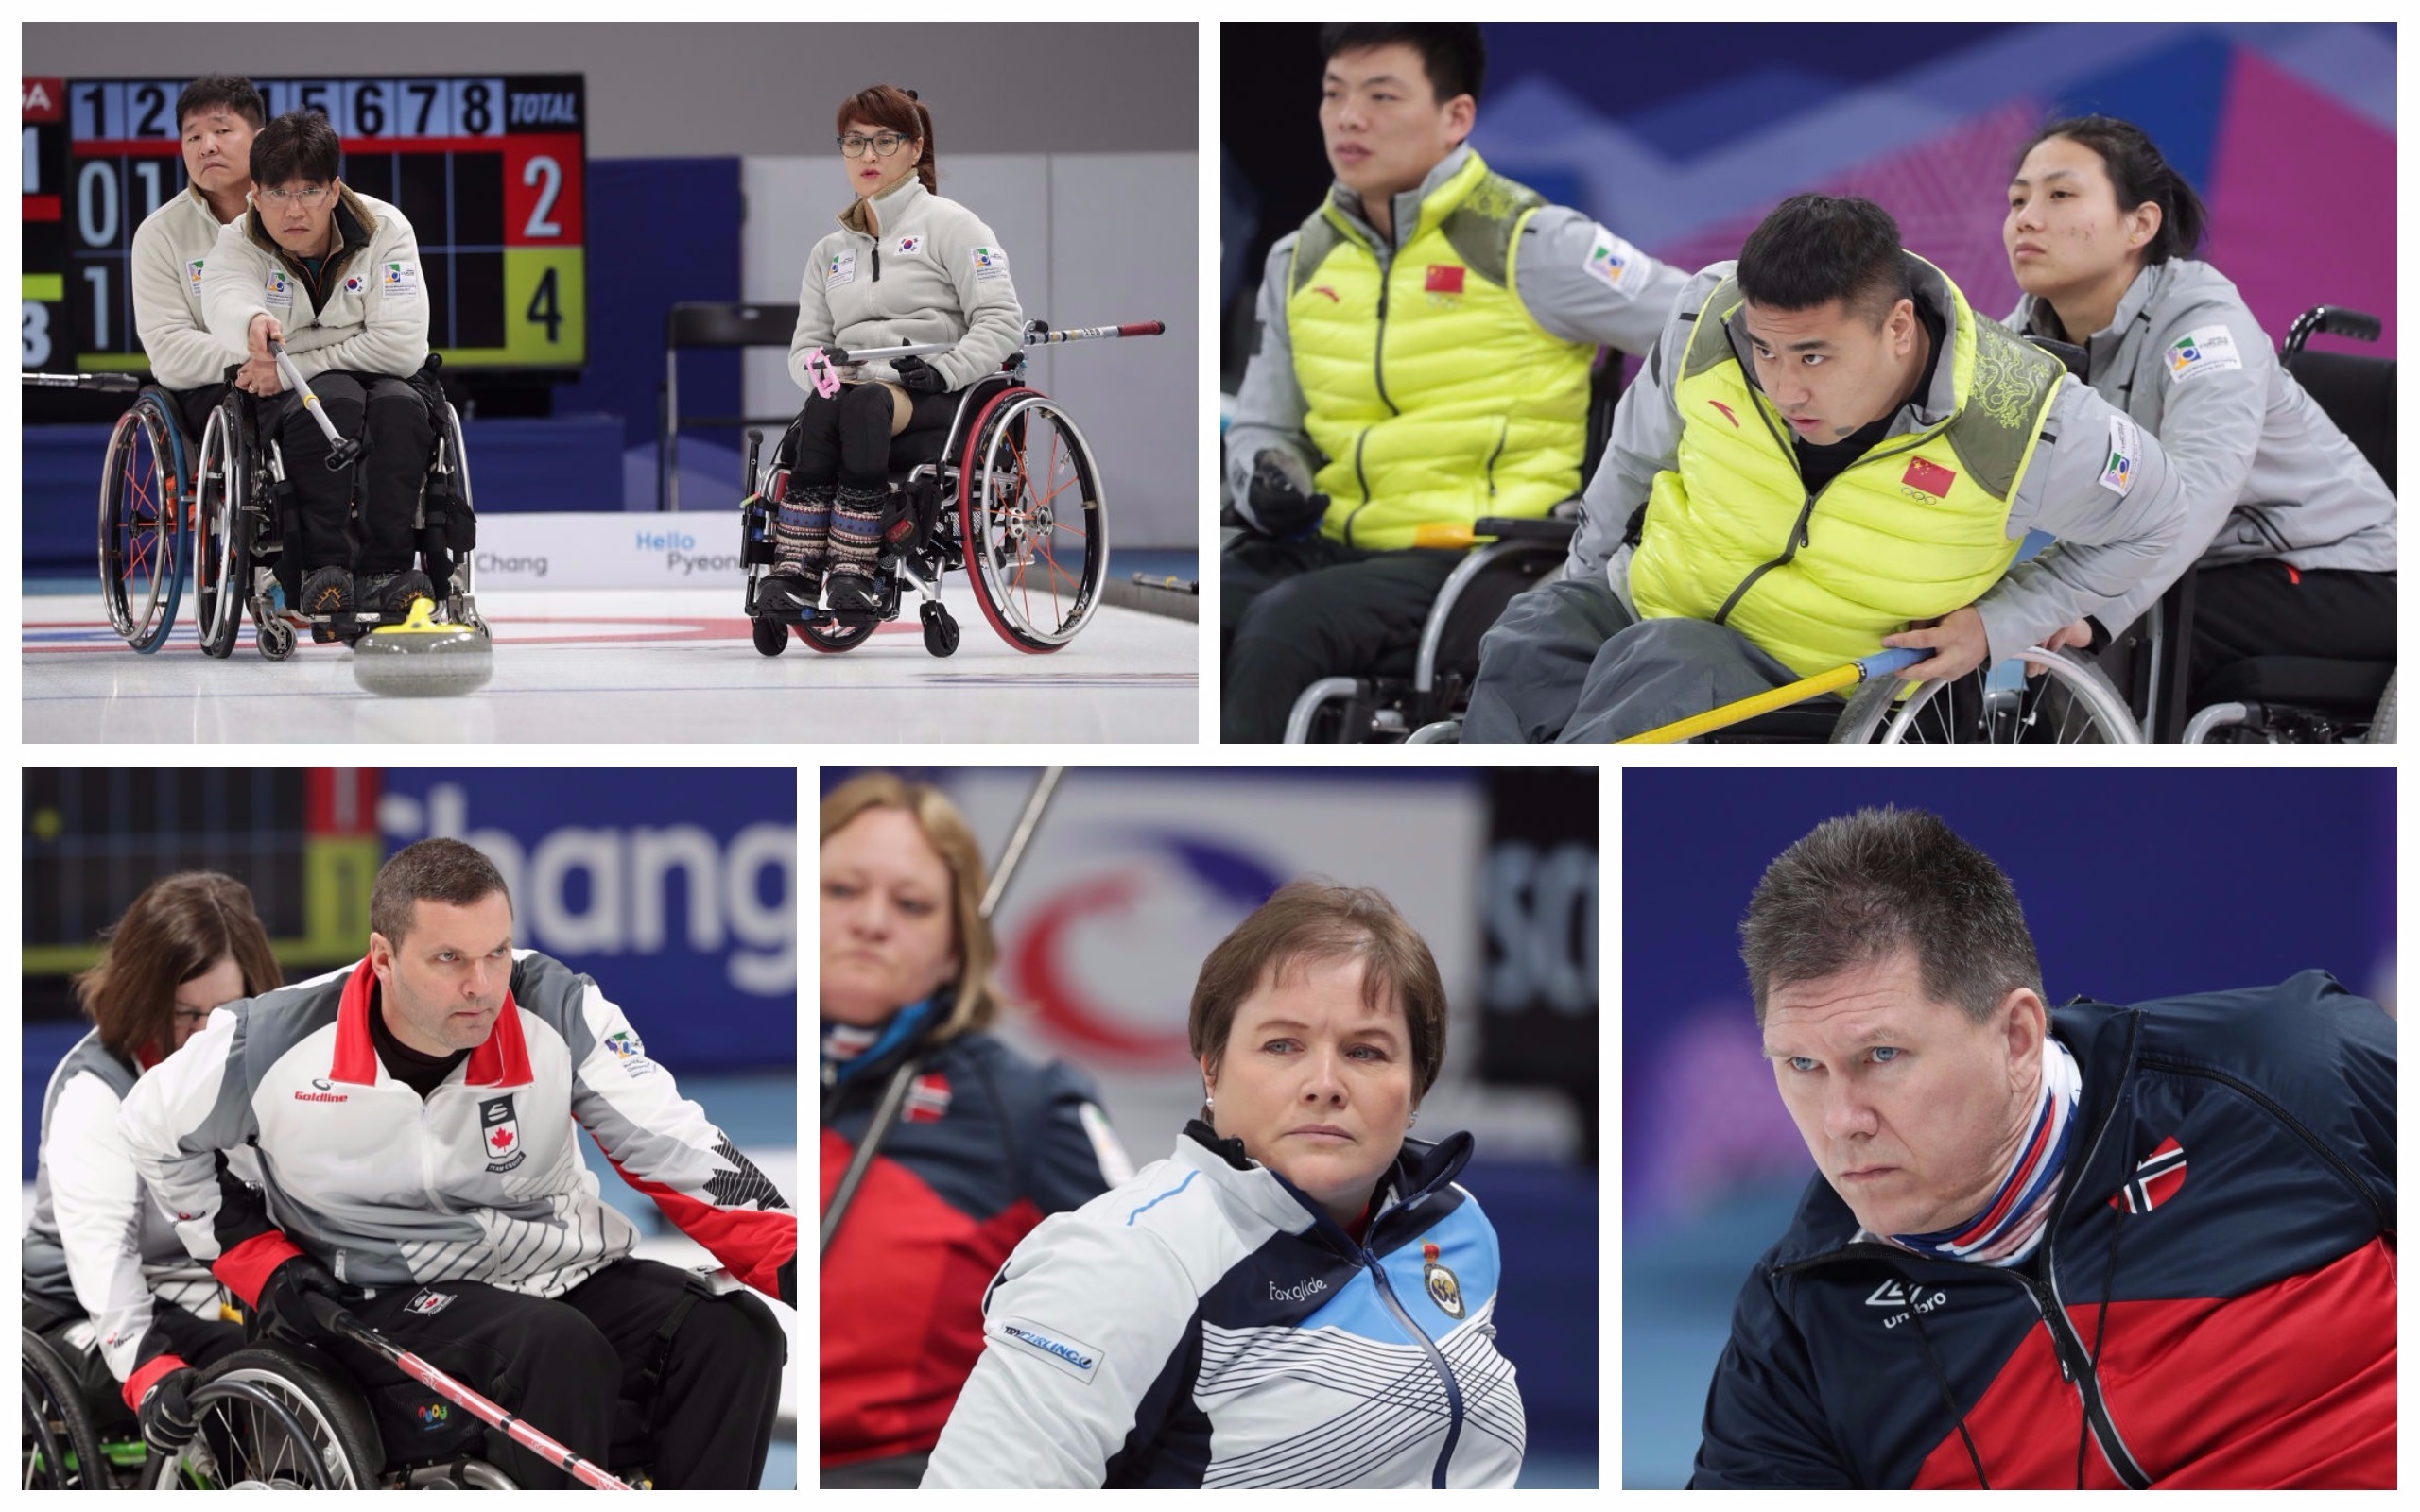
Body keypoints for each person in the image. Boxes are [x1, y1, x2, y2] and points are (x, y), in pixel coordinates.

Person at [1694, 807, 2394, 1488]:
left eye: (1882, 1054)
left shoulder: (2289, 1074)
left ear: (2017, 1038)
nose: (1841, 1120)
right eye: (1802, 1065)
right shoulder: (1799, 1321)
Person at [119, 838, 793, 1490]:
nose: (482, 985)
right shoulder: (272, 1042)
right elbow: (150, 1130)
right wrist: (261, 1263)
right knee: (557, 1350)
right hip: (379, 1295)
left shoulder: (555, 1007)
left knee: (735, 1333)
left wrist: (798, 1264)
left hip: (557, 1271)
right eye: (449, 958)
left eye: (496, 952)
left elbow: (670, 1141)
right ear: (383, 958)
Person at [1462, 194, 2195, 743]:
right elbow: (1630, 461)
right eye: (1766, 350)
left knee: (1666, 665)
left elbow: (2164, 516)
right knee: (1531, 633)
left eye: (1813, 356)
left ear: (1898, 326)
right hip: (1649, 608)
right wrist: (1583, 584)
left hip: (1821, 685)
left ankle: (1569, 842)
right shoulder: (1707, 319)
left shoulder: (2026, 419)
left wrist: (2000, 623)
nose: (1785, 389)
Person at [925, 882, 1525, 1487]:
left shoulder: (1453, 1221)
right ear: (1211, 1069)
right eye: (1282, 1045)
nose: (1324, 1084)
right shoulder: (1129, 1259)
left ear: (1417, 1084)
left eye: (1365, 1052)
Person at [1222, 23, 1687, 742]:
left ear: (1455, 117)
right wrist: (1267, 469)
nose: (1349, 118)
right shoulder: (1299, 258)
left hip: (1478, 557)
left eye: (1381, 96)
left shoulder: (1532, 242)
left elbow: (1704, 320)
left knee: (1285, 626)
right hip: (1331, 542)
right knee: (1214, 607)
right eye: (1334, 94)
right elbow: (1265, 422)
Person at [2001, 115, 2395, 711]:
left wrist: (2092, 609)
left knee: (2139, 637)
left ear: (2140, 224)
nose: (2027, 219)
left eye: (2060, 195)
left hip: (2342, 570)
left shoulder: (2205, 326)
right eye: (2017, 200)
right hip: (2200, 570)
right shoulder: (2020, 342)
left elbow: (2200, 486)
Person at [818, 773, 1129, 1487]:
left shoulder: (1029, 1107)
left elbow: (1151, 1297)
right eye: (841, 891)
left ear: (958, 948)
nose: (871, 922)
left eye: (912, 904)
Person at [23, 873, 283, 1461]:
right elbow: (103, 1258)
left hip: (195, 1293)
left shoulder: (262, 1062)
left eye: (226, 1012)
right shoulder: (96, 1090)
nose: (206, 1038)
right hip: (74, 1307)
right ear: (143, 999)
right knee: (236, 1371)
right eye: (186, 1014)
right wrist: (146, 1367)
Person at [762, 85, 1025, 619]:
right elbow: (805, 347)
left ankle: (854, 568)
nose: (869, 155)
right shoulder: (828, 253)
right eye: (854, 142)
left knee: (862, 404)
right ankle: (795, 569)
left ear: (915, 148)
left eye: (885, 141)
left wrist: (945, 369)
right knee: (827, 404)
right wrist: (820, 371)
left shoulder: (954, 225)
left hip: (936, 389)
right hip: (852, 392)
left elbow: (1002, 322)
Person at [200, 110, 434, 639]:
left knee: (400, 407)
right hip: (305, 398)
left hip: (353, 377)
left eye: (309, 191)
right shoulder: (238, 242)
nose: (294, 208)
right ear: (255, 194)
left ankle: (387, 571)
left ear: (334, 190)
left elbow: (401, 348)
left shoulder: (387, 230)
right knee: (334, 399)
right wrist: (253, 322)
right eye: (278, 193)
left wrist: (293, 363)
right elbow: (225, 302)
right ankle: (321, 569)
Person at [130, 77, 265, 444]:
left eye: (222, 131)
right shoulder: (159, 234)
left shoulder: (295, 214)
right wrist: (262, 354)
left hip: (304, 375)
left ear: (260, 140)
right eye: (193, 137)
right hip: (212, 392)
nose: (207, 147)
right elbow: (169, 350)